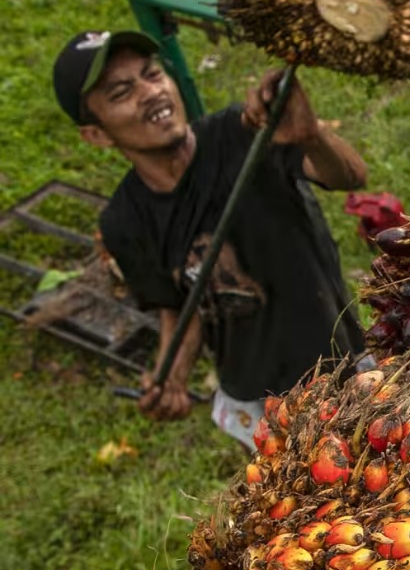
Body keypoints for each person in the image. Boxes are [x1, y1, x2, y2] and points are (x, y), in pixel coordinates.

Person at [53, 29, 368, 448]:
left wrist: (312, 136)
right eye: (121, 92)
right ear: (97, 134)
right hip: (255, 397)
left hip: (340, 365)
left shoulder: (242, 133)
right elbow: (177, 308)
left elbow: (348, 176)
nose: (150, 93)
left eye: (152, 75)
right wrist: (173, 377)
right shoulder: (123, 221)